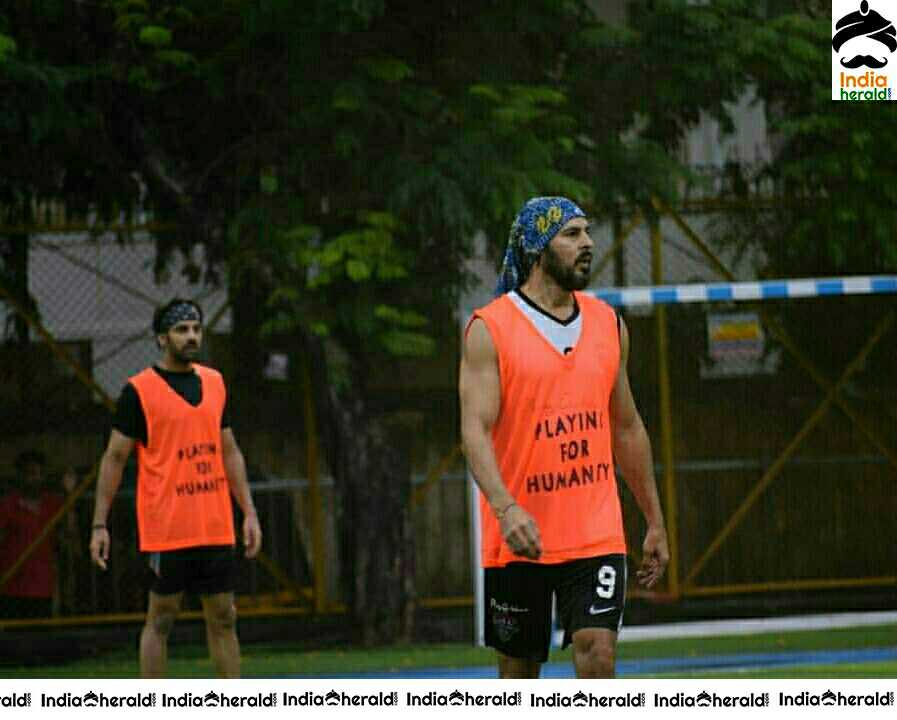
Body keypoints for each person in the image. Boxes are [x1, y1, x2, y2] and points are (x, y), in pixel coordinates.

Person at [459, 197, 669, 679]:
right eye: (571, 234)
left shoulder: (608, 324)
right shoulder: (490, 328)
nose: (588, 243)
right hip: (521, 535)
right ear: (537, 249)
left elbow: (627, 426)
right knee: (519, 672)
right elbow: (474, 431)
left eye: (588, 232)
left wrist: (654, 518)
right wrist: (505, 508)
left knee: (598, 655)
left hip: (594, 532)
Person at [89, 298, 262, 678]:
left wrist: (248, 512)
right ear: (162, 338)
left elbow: (229, 451)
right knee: (161, 620)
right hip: (167, 529)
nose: (192, 336)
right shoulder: (139, 391)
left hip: (214, 525)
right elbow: (114, 458)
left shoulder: (215, 384)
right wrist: (99, 525)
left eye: (196, 329)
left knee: (224, 617)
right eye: (182, 330)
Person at [0, 450, 74, 619]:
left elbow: (69, 530)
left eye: (39, 474)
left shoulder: (51, 504)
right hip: (13, 583)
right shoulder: (8, 505)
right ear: (20, 476)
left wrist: (70, 492)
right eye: (30, 474)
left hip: (43, 585)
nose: (35, 479)